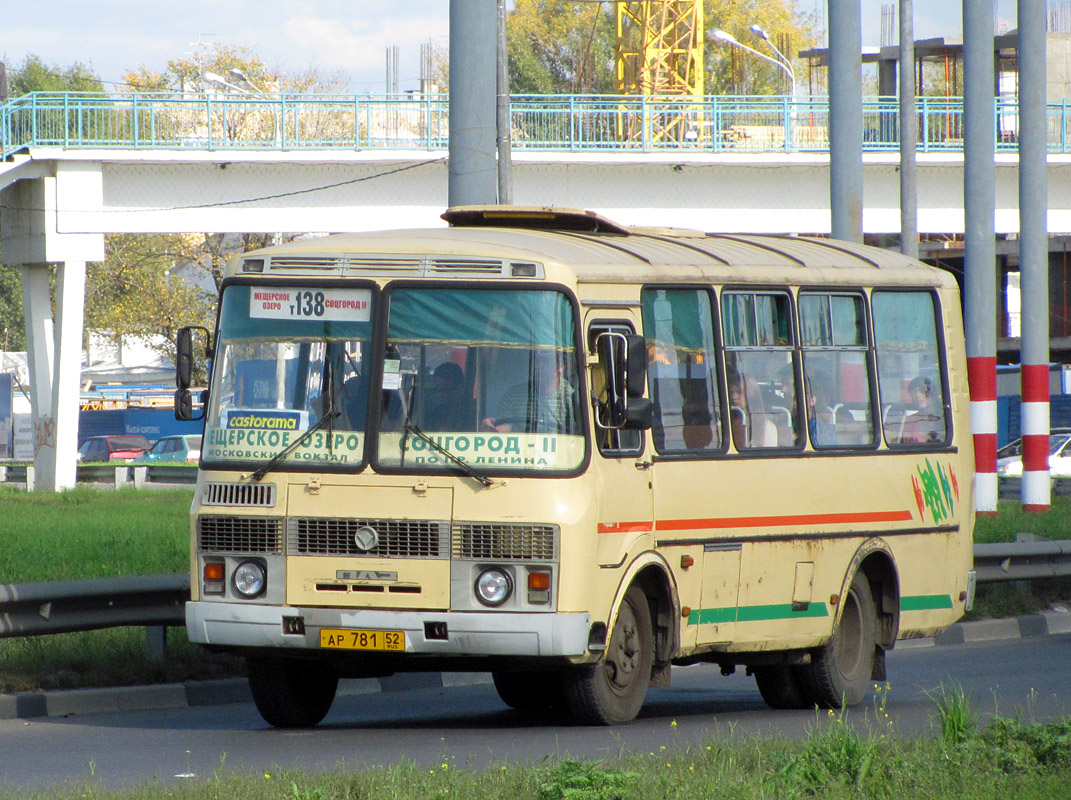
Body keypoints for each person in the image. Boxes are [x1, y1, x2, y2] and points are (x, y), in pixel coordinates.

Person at [481, 351, 578, 433]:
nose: (538, 365)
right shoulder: (514, 395)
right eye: (536, 360)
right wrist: (490, 428)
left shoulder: (572, 396)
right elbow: (503, 429)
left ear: (561, 365)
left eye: (545, 360)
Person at [423, 362, 469, 431]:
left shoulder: (476, 411)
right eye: (441, 390)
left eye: (449, 389)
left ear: (461, 385)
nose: (445, 394)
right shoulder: (435, 416)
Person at [902, 376, 944, 443]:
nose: (917, 395)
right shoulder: (908, 421)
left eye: (922, 390)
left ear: (934, 392)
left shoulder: (946, 418)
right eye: (913, 392)